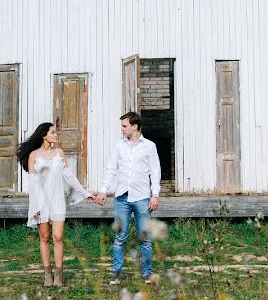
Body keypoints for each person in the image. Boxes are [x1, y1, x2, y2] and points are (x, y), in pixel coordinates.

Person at [17, 122, 97, 287]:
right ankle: (47, 274)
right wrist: (35, 206)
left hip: (57, 199)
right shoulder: (34, 155)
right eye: (53, 132)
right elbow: (33, 184)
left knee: (58, 237)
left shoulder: (59, 153)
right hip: (40, 201)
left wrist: (86, 193)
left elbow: (69, 177)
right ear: (44, 135)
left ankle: (59, 275)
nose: (56, 135)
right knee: (44, 237)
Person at [95, 111, 162, 285]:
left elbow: (155, 172)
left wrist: (155, 195)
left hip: (142, 198)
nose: (122, 129)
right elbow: (111, 169)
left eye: (124, 126)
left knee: (145, 237)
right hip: (122, 198)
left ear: (135, 126)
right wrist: (103, 190)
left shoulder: (149, 146)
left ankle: (147, 273)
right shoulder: (119, 146)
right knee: (120, 237)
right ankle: (117, 273)